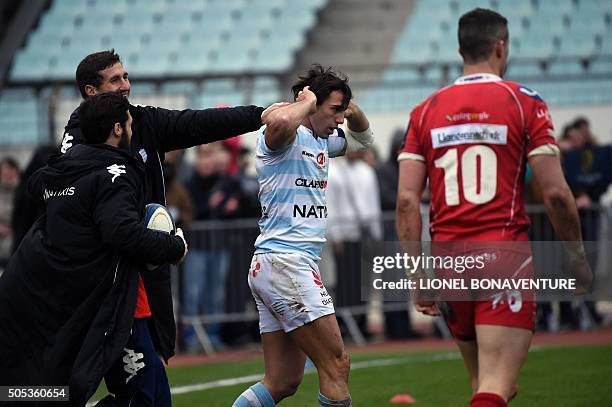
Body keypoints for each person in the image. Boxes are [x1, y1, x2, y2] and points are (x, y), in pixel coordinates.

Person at [395, 8, 592, 407]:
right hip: (503, 257)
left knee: (484, 385)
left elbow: (405, 201)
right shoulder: (524, 102)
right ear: (501, 47)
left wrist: (417, 276)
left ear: (460, 49)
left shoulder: (424, 111)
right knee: (496, 388)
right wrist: (576, 257)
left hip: (450, 262)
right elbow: (555, 194)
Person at [59, 49, 268, 402]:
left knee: (150, 390)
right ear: (90, 92)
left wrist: (262, 114)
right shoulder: (80, 147)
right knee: (143, 393)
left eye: (126, 76)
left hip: (140, 277)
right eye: (115, 80)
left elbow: (201, 123)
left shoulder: (142, 122)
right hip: (105, 284)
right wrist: (171, 246)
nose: (126, 85)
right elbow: (111, 227)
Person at [0, 92, 188, 406]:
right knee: (136, 396)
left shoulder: (60, 169)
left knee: (37, 389)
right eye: (129, 123)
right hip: (95, 301)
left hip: (40, 294)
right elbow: (121, 232)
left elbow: (36, 187)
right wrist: (174, 246)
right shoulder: (115, 172)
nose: (132, 129)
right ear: (118, 128)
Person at [232, 65, 373, 407]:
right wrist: (307, 102)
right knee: (336, 364)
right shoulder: (285, 134)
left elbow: (364, 139)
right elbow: (279, 123)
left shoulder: (324, 139)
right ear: (311, 104)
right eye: (334, 110)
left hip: (276, 265)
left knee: (282, 381)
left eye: (342, 111)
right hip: (286, 263)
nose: (339, 118)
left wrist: (351, 109)